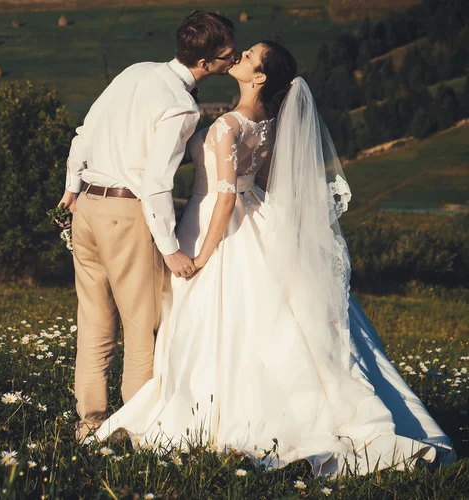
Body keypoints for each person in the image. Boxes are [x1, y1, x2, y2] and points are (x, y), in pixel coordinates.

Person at [94, 41, 455, 476]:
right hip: (254, 216)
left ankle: (221, 415)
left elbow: (225, 200)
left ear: (259, 77)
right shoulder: (267, 121)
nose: (239, 58)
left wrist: (204, 256)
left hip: (216, 225)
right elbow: (262, 180)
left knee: (216, 322)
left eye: (247, 57)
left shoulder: (229, 124)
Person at [57, 11, 239, 442]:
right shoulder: (181, 107)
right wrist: (169, 246)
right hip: (127, 213)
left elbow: (84, 133)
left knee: (94, 318)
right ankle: (134, 429)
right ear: (207, 63)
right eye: (228, 54)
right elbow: (157, 182)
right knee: (142, 325)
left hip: (86, 208)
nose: (233, 60)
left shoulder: (135, 71)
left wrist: (71, 188)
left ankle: (90, 422)